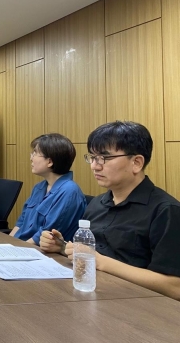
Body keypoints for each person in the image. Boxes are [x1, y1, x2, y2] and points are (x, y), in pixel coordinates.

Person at [40, 121, 180, 300]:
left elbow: (174, 286)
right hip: (91, 293)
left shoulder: (166, 211)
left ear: (136, 163)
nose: (94, 166)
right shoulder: (97, 203)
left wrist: (101, 262)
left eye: (104, 158)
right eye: (92, 157)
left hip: (136, 308)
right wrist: (61, 247)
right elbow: (92, 253)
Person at [10, 133, 86, 245]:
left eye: (35, 153)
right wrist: (8, 243)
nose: (31, 158)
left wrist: (17, 250)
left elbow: (46, 234)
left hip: (44, 253)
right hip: (23, 247)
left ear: (49, 162)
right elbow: (21, 221)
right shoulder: (39, 187)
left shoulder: (69, 191)